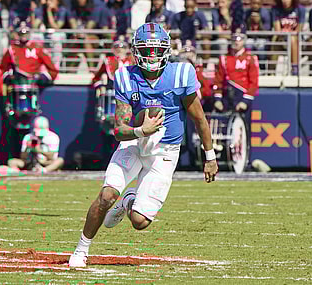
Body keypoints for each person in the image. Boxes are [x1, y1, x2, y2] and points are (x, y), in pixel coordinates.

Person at [68, 22, 218, 268]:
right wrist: (141, 130)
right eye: (146, 49)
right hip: (134, 144)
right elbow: (119, 129)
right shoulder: (126, 76)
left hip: (165, 151)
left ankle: (128, 201)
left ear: (166, 50)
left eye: (156, 50)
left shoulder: (181, 73)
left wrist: (210, 157)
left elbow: (199, 118)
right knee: (106, 196)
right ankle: (81, 249)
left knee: (139, 221)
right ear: (136, 51)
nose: (151, 55)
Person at [0, 23, 59, 162]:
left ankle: (37, 159)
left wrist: (40, 78)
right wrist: (10, 76)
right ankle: (16, 158)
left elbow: (53, 70)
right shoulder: (11, 49)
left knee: (33, 125)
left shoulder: (37, 48)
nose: (23, 37)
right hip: (15, 92)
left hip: (33, 91)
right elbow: (2, 69)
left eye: (26, 34)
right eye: (21, 34)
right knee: (13, 126)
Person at [212, 32, 259, 170]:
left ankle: (245, 160)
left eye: (239, 39)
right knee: (223, 129)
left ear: (244, 41)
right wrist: (217, 98)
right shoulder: (224, 59)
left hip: (242, 96)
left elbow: (254, 82)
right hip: (228, 96)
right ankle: (224, 158)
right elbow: (218, 80)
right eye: (234, 39)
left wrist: (245, 100)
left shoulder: (250, 58)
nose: (236, 42)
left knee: (245, 129)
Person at [0, 116, 64, 173]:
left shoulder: (53, 137)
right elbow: (22, 157)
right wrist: (28, 148)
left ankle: (44, 170)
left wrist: (39, 151)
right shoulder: (28, 137)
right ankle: (16, 171)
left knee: (60, 161)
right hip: (30, 162)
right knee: (11, 162)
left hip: (46, 162)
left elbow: (52, 157)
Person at [271, 0, 306, 75]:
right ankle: (271, 71)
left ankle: (295, 69)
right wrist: (284, 34)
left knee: (292, 38)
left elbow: (298, 30)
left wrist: (288, 33)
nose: (284, 1)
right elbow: (278, 30)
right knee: (274, 40)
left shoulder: (301, 9)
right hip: (282, 38)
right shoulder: (275, 9)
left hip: (297, 40)